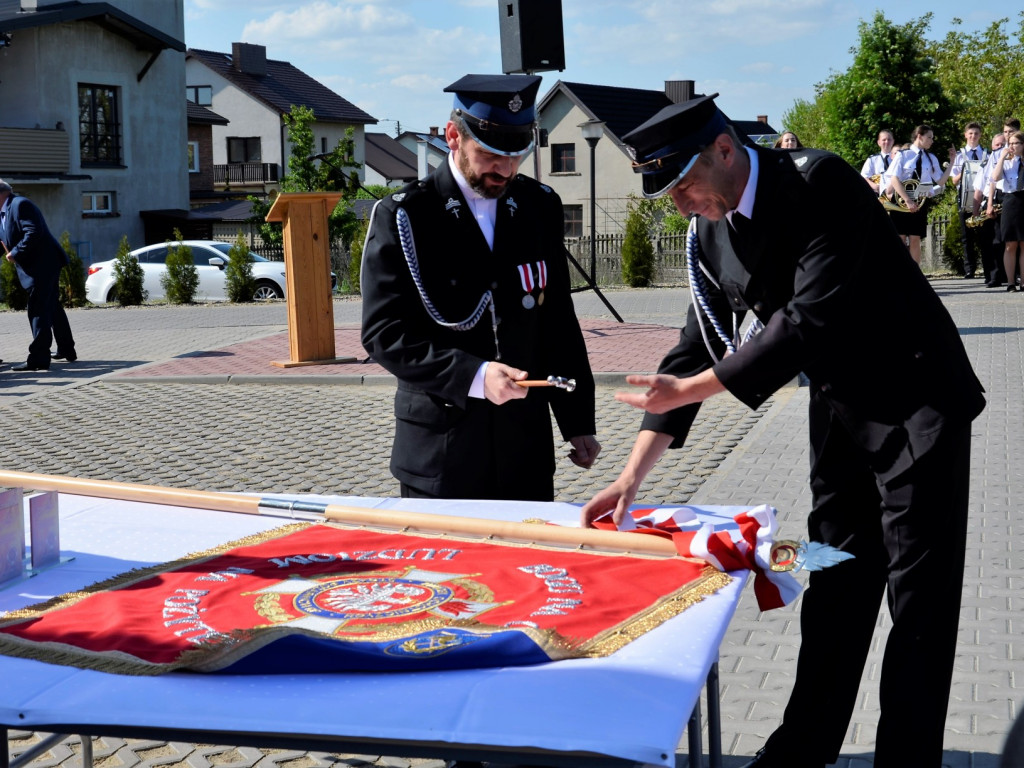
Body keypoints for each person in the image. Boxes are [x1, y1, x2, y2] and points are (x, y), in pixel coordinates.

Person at [579, 94, 985, 768]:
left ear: (725, 150)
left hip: (918, 403)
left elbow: (805, 324)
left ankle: (906, 759)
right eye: (668, 194)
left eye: (684, 184)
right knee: (836, 584)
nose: (680, 203)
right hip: (843, 412)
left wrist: (695, 386)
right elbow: (691, 353)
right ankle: (803, 746)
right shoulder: (709, 232)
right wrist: (630, 478)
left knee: (918, 606)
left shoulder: (818, 183)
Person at [360, 74, 600, 501]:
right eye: (491, 154)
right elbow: (384, 335)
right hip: (441, 452)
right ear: (453, 135)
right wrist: (474, 374)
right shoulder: (406, 215)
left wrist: (577, 420)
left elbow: (557, 321)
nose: (505, 169)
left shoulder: (538, 205)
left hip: (524, 448)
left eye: (517, 155)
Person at [0, 180, 77, 371]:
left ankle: (38, 359)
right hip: (36, 265)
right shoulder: (3, 212)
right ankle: (67, 349)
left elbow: (34, 232)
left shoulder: (20, 205)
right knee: (51, 307)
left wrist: (15, 253)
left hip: (44, 264)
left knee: (38, 309)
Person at [885, 125, 956, 265]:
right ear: (919, 136)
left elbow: (941, 181)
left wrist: (952, 162)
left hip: (919, 202)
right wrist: (907, 200)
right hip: (901, 202)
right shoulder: (903, 155)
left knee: (915, 238)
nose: (932, 141)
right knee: (900, 237)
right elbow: (894, 178)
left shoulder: (930, 158)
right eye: (929, 137)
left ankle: (915, 275)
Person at [949, 122, 988, 278]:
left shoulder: (986, 154)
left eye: (976, 133)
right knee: (967, 237)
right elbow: (954, 181)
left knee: (984, 236)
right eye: (970, 133)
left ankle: (987, 269)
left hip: (982, 199)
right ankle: (969, 269)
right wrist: (964, 170)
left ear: (980, 135)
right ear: (965, 135)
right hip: (965, 199)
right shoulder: (959, 155)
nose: (973, 136)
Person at [989, 130, 1024, 292]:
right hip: (1011, 201)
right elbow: (994, 178)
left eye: (1015, 143)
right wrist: (1002, 157)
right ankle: (1011, 282)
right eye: (1009, 143)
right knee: (1010, 244)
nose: (1012, 146)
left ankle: (1023, 281)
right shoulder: (1007, 162)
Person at [975, 132, 1008, 287]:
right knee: (992, 242)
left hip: (1007, 200)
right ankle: (993, 276)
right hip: (991, 203)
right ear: (992, 146)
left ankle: (1007, 274)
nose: (1000, 147)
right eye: (997, 145)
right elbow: (980, 189)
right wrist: (976, 212)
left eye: (1003, 144)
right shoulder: (988, 163)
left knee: (1006, 241)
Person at [859, 128, 895, 195]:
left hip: (895, 193)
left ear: (893, 141)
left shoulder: (898, 158)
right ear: (879, 142)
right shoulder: (872, 159)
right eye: (884, 140)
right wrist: (875, 186)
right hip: (877, 194)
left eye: (889, 139)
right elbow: (863, 177)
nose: (887, 142)